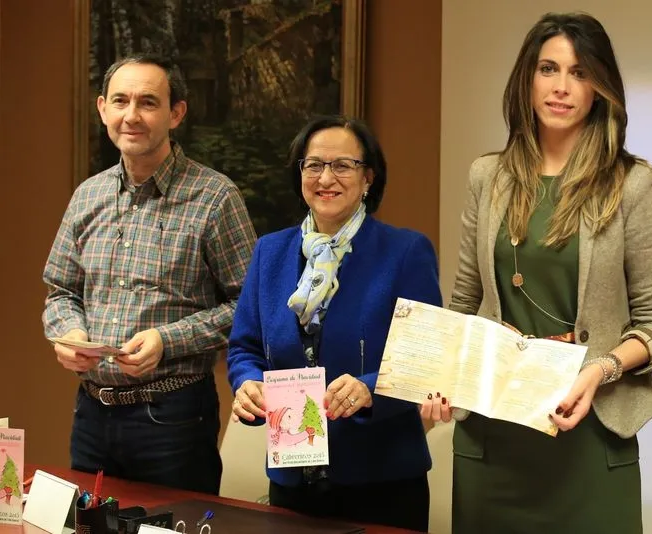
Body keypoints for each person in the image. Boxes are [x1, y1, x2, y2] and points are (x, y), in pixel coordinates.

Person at [420, 12, 652, 534]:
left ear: (600, 89)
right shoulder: (486, 176)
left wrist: (598, 371)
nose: (562, 87)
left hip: (588, 434)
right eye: (548, 69)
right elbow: (465, 303)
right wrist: (442, 378)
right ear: (527, 79)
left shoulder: (632, 186)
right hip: (492, 442)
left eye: (580, 73)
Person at [42, 54, 258, 494]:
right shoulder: (88, 196)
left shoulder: (214, 197)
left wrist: (168, 340)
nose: (132, 115)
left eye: (148, 102)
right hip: (91, 413)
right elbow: (60, 292)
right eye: (120, 101)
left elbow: (249, 307)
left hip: (173, 416)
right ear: (103, 108)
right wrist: (70, 334)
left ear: (175, 113)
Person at [227, 115, 441, 532]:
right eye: (314, 165)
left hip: (383, 481)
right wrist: (248, 383)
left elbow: (426, 359)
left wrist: (368, 387)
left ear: (368, 178)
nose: (326, 177)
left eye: (343, 165)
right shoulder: (270, 252)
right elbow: (244, 347)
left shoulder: (405, 251)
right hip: (293, 477)